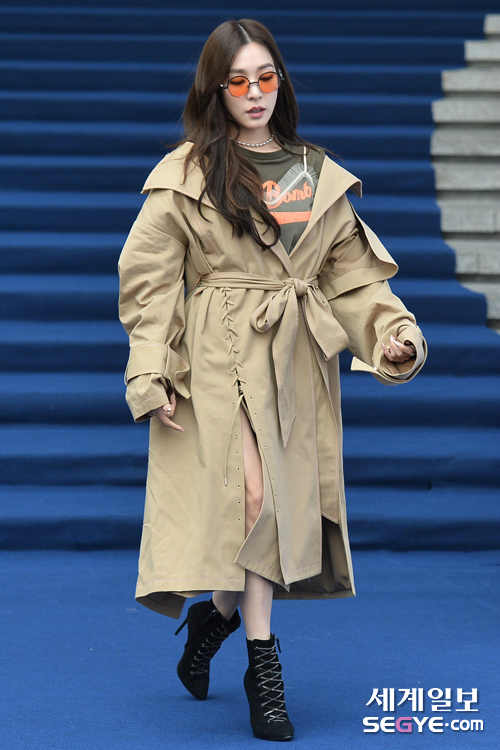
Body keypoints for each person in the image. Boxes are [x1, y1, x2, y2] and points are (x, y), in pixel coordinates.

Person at [118, 18, 426, 741]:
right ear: (215, 89)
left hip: (292, 362)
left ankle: (211, 622)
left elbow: (352, 277)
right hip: (217, 355)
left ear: (280, 83)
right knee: (256, 502)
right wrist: (152, 369)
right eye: (238, 81)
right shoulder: (186, 175)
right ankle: (264, 668)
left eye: (266, 77)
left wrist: (393, 332)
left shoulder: (314, 173)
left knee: (270, 513)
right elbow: (149, 282)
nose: (255, 93)